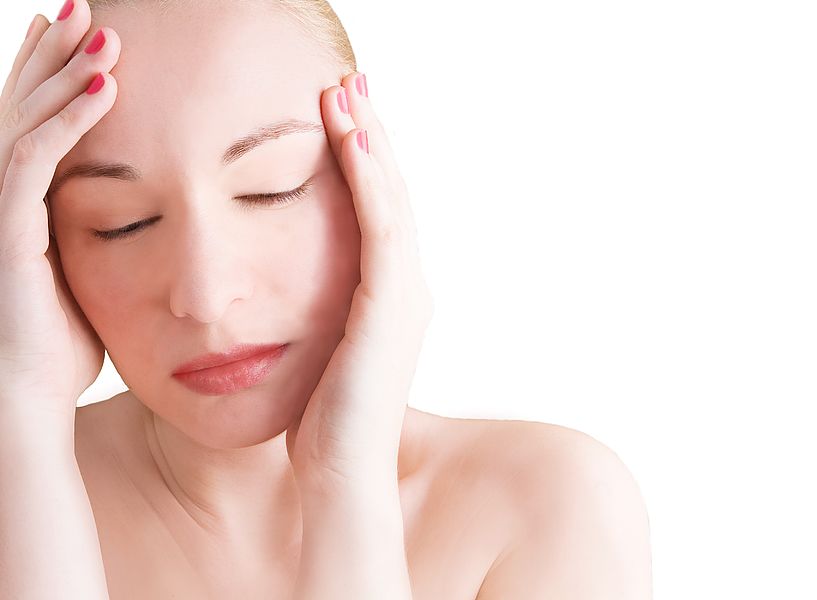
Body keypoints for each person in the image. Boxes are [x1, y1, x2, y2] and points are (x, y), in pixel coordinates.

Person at [0, 0, 652, 598]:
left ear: (371, 180)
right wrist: (20, 400)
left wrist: (347, 486)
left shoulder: (547, 506)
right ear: (45, 245)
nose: (205, 295)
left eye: (271, 190)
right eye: (122, 222)